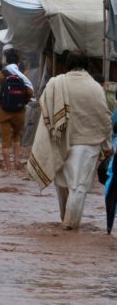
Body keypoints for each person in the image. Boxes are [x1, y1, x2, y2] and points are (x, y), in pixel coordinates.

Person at [28, 51, 112, 230]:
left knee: (62, 184)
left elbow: (46, 110)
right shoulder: (95, 87)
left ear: (67, 64)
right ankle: (70, 227)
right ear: (87, 65)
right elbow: (104, 118)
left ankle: (64, 221)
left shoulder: (56, 83)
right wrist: (108, 146)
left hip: (59, 141)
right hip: (88, 145)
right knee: (78, 187)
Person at [0, 51, 34, 170]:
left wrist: (0, 97)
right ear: (18, 63)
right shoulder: (23, 76)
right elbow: (29, 92)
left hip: (4, 111)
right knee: (17, 136)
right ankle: (17, 162)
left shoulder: (0, 74)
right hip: (19, 111)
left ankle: (8, 168)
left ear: (6, 63)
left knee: (5, 140)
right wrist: (24, 101)